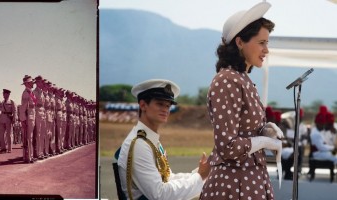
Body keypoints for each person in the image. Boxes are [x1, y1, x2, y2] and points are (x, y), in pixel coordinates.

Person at [199, 2, 284, 199]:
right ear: (239, 42)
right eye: (261, 43)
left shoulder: (242, 79)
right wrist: (262, 141)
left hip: (248, 180)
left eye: (267, 43)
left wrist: (264, 130)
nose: (266, 50)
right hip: (233, 183)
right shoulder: (227, 80)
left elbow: (244, 132)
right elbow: (227, 146)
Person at [117, 79, 209, 200]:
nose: (165, 109)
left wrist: (198, 174)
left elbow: (168, 178)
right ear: (143, 105)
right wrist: (199, 177)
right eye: (160, 104)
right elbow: (159, 195)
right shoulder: (139, 144)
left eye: (168, 105)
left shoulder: (149, 140)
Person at [20, 75, 36, 163]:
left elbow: (34, 103)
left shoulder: (31, 92)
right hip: (28, 117)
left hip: (32, 116)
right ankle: (28, 157)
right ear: (27, 83)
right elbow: (23, 108)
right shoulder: (26, 93)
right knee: (28, 137)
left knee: (30, 137)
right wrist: (23, 120)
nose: (33, 83)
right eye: (31, 82)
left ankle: (30, 156)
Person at [0, 89, 17, 153]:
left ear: (8, 94)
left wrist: (14, 119)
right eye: (3, 94)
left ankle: (9, 148)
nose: (4, 95)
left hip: (8, 118)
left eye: (5, 94)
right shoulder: (2, 102)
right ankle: (3, 148)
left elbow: (15, 111)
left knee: (9, 134)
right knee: (1, 134)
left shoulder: (11, 101)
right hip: (2, 118)